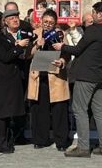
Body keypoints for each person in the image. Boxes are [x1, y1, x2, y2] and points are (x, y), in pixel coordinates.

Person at [54, 2, 102, 158]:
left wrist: (62, 46)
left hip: (86, 75)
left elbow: (77, 49)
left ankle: (83, 147)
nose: (93, 15)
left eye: (94, 13)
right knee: (99, 110)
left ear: (99, 14)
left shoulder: (94, 30)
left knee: (79, 109)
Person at [0, 10, 31, 153]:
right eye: (1, 20)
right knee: (1, 111)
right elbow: (4, 56)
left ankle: (5, 140)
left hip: (8, 78)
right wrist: (18, 47)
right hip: (1, 78)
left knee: (6, 111)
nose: (3, 22)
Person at [28, 9, 71, 151]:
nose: (47, 24)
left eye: (51, 22)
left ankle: (61, 141)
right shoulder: (35, 34)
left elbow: (67, 54)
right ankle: (40, 139)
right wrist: (37, 45)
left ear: (55, 23)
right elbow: (28, 54)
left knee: (59, 110)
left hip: (56, 76)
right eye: (45, 21)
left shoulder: (60, 34)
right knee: (40, 110)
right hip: (39, 77)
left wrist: (62, 61)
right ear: (41, 21)